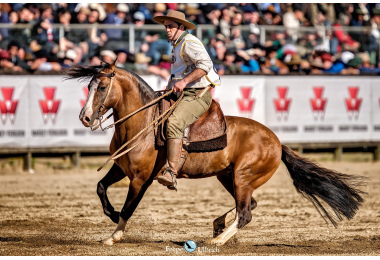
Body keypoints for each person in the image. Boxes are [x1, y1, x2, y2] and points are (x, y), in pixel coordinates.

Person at [153, 10, 220, 190]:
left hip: (197, 94)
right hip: (184, 93)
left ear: (181, 27)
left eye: (171, 26)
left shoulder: (189, 42)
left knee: (174, 122)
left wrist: (184, 81)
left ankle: (172, 172)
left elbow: (205, 66)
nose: (167, 29)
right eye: (165, 26)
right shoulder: (177, 43)